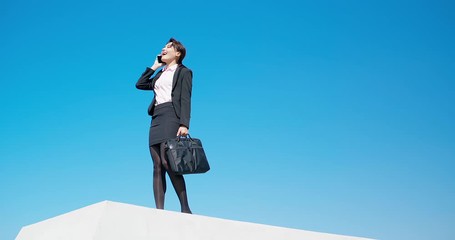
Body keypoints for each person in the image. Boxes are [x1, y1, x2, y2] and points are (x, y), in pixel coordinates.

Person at [136, 38, 193, 213]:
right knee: (157, 164)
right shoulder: (160, 74)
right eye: (164, 46)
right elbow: (140, 84)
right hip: (157, 117)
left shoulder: (184, 72)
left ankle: (185, 208)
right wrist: (155, 66)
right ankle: (159, 211)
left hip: (171, 115)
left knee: (169, 162)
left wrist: (184, 123)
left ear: (178, 53)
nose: (164, 48)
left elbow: (185, 98)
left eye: (169, 47)